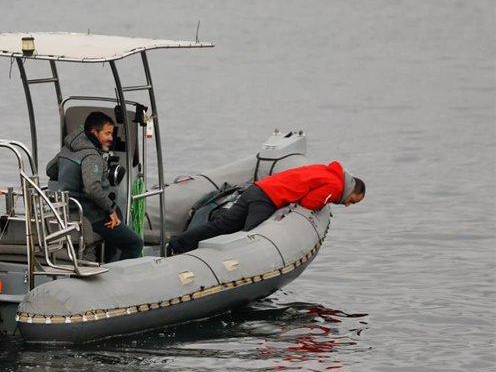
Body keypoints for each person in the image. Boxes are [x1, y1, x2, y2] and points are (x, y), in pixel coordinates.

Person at [167, 161, 365, 255]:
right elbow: (310, 203)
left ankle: (178, 243)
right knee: (248, 240)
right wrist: (325, 203)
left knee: (223, 225)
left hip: (258, 189)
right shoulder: (336, 186)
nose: (348, 204)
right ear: (351, 189)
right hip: (267, 199)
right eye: (353, 201)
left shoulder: (328, 171)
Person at [46, 111, 144, 261]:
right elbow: (92, 188)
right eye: (107, 133)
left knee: (115, 227)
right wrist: (110, 209)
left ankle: (105, 264)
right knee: (135, 243)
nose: (111, 138)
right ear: (94, 132)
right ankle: (118, 278)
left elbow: (50, 170)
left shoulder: (67, 149)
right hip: (91, 216)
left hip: (68, 212)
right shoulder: (91, 156)